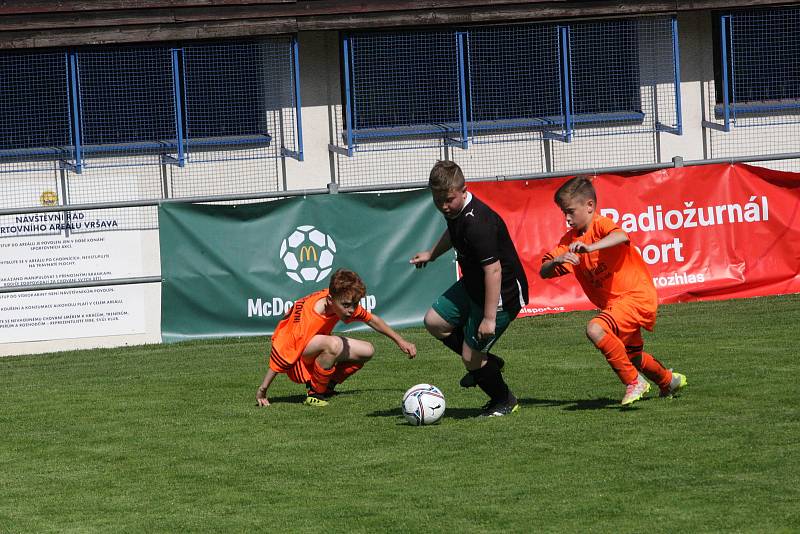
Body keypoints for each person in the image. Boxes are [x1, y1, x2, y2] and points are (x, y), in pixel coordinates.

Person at [540, 176, 687, 406]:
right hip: (616, 305)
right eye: (563, 212)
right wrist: (557, 260)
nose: (567, 218)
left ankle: (633, 382)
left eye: (570, 211)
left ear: (589, 206)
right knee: (632, 356)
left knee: (595, 329)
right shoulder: (569, 241)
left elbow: (621, 236)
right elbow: (543, 270)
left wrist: (590, 247)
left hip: (635, 296)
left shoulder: (600, 225)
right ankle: (668, 380)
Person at [410, 161, 529, 417]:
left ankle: (504, 399)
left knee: (470, 356)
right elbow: (453, 234)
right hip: (474, 283)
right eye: (437, 199)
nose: (443, 205)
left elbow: (494, 271)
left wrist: (488, 319)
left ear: (465, 191)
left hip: (501, 293)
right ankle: (488, 364)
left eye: (449, 199)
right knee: (435, 322)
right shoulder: (455, 212)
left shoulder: (478, 224)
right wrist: (431, 254)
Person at [256, 268, 417, 407]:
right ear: (330, 300)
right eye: (346, 305)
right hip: (296, 362)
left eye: (354, 305)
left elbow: (373, 320)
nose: (350, 310)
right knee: (333, 344)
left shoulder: (339, 300)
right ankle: (314, 394)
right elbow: (283, 352)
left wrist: (400, 341)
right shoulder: (307, 319)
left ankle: (327, 386)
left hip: (311, 348)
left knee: (367, 350)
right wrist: (263, 389)